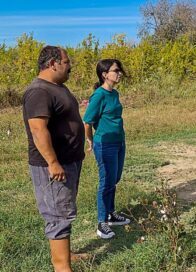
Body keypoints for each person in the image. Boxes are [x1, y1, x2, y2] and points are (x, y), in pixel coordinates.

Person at [22, 46, 85, 272]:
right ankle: (62, 267)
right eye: (67, 62)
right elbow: (38, 130)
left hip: (69, 162)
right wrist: (53, 162)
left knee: (65, 210)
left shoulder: (57, 87)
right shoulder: (39, 91)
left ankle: (67, 255)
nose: (70, 66)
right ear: (53, 64)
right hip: (54, 166)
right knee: (57, 215)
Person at [83, 59, 130, 239]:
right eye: (115, 70)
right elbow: (87, 121)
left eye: (119, 70)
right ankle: (102, 222)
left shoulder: (115, 93)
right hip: (104, 144)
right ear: (104, 74)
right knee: (106, 181)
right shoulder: (99, 95)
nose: (119, 73)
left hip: (119, 142)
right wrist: (90, 141)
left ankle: (111, 214)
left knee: (115, 178)